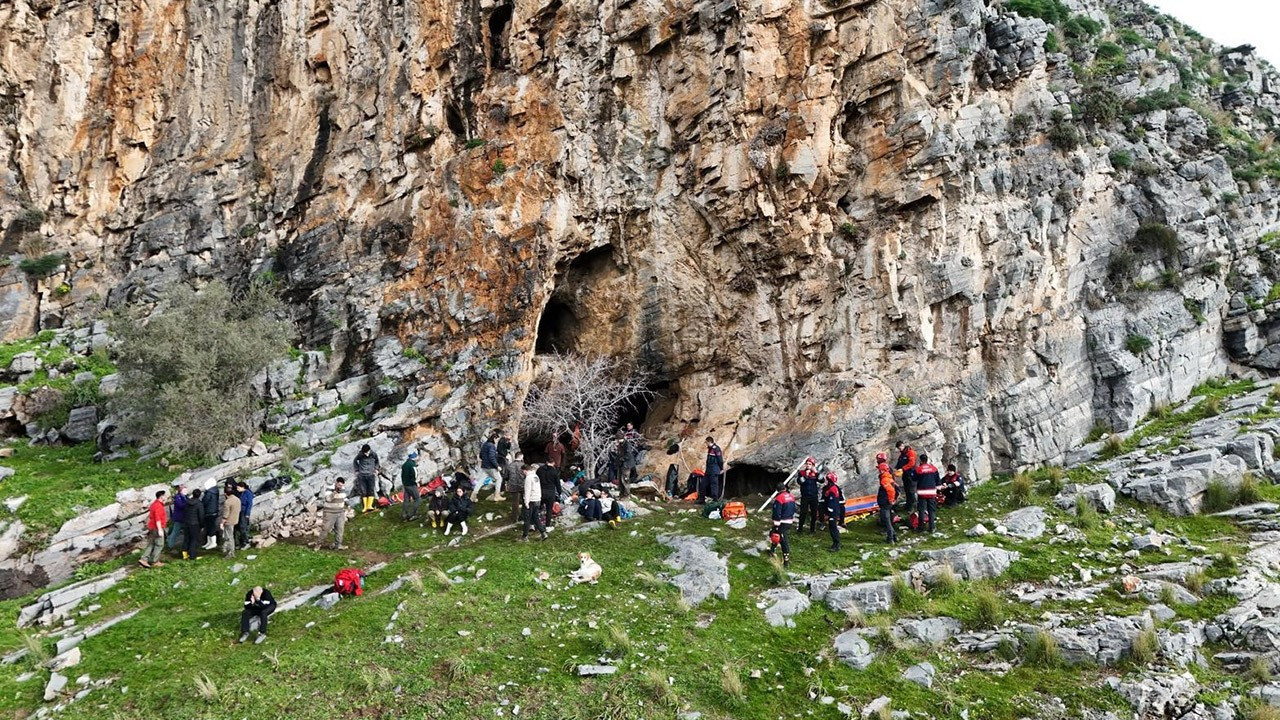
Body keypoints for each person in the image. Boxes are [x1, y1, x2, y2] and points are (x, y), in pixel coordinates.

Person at [769, 482, 796, 567]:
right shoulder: (791, 496)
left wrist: (776, 524)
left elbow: (777, 512)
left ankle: (786, 562)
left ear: (777, 490)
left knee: (781, 539)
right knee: (773, 533)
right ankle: (772, 550)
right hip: (790, 520)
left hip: (782, 521)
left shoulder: (779, 498)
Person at [139, 490, 167, 568]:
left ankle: (144, 559)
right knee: (159, 544)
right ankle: (155, 561)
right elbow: (158, 518)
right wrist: (160, 529)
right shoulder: (159, 506)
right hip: (157, 527)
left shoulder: (154, 504)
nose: (166, 497)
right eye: (164, 496)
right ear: (161, 497)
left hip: (152, 526)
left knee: (151, 543)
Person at [521, 464, 549, 541]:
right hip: (537, 499)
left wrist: (526, 502)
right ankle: (543, 533)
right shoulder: (536, 477)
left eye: (523, 471)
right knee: (536, 517)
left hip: (531, 500)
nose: (523, 473)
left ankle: (525, 536)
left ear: (525, 470)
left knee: (527, 519)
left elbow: (527, 491)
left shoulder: (528, 478)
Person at [914, 453, 940, 533]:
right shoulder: (933, 468)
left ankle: (920, 527)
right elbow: (938, 480)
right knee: (931, 510)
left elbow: (914, 478)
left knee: (921, 510)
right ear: (927, 460)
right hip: (931, 491)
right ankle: (932, 527)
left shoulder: (919, 469)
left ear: (920, 460)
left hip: (922, 492)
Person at [875, 453, 897, 544]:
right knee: (887, 520)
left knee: (887, 520)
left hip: (886, 503)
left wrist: (891, 500)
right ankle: (894, 536)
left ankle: (891, 538)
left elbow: (891, 490)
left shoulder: (885, 479)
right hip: (886, 502)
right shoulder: (888, 476)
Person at [319, 479, 348, 549]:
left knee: (340, 529)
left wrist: (346, 506)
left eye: (342, 485)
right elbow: (328, 499)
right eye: (339, 485)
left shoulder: (343, 490)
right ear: (336, 483)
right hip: (329, 512)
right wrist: (334, 493)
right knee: (325, 529)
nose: (340, 487)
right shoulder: (329, 489)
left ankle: (338, 544)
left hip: (340, 512)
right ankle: (319, 544)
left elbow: (344, 498)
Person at [796, 457, 821, 533]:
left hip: (813, 496)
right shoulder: (801, 473)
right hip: (805, 496)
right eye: (807, 464)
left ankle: (812, 529)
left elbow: (822, 480)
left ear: (813, 465)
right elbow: (799, 482)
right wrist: (805, 476)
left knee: (814, 513)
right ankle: (800, 529)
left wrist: (816, 473)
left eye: (810, 464)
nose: (808, 465)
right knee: (803, 512)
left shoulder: (815, 473)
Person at [354, 444, 381, 513]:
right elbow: (355, 461)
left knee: (371, 490)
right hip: (362, 476)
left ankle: (370, 506)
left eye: (367, 452)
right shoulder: (360, 455)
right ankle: (365, 507)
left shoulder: (373, 454)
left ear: (369, 450)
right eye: (365, 452)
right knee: (363, 491)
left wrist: (376, 469)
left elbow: (377, 461)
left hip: (371, 475)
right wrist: (357, 470)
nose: (366, 454)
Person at [821, 472, 845, 552]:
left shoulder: (832, 490)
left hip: (833, 512)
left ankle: (836, 544)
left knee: (833, 528)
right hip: (835, 511)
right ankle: (836, 543)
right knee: (833, 527)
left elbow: (831, 504)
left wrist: (828, 514)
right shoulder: (834, 488)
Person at [476, 433, 503, 502]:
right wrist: (497, 466)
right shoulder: (492, 446)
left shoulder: (485, 444)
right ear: (494, 438)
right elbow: (492, 457)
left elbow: (481, 455)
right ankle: (497, 496)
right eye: (497, 439)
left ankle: (473, 496)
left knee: (480, 481)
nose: (497, 441)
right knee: (499, 479)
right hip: (491, 467)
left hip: (484, 467)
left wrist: (485, 461)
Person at [894, 441, 918, 512]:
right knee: (907, 490)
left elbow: (911, 463)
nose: (899, 449)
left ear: (903, 445)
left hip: (911, 474)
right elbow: (899, 463)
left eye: (900, 447)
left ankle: (913, 507)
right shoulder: (902, 455)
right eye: (898, 448)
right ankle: (908, 505)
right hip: (905, 474)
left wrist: (903, 468)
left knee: (911, 491)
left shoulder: (910, 453)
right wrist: (896, 469)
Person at [503, 451, 525, 523]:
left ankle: (515, 518)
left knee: (515, 502)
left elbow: (505, 477)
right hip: (522, 485)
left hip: (513, 486)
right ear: (521, 456)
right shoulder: (523, 465)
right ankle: (523, 516)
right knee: (524, 501)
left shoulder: (509, 465)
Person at [183, 488, 205, 559]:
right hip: (195, 524)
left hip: (186, 523)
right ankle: (192, 556)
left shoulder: (187, 502)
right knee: (194, 540)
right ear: (199, 495)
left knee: (186, 539)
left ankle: (185, 555)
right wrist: (202, 525)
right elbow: (201, 515)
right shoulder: (199, 504)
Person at [201, 482, 223, 551]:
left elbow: (205, 501)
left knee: (210, 527)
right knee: (210, 527)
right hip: (214, 511)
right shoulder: (216, 491)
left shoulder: (209, 493)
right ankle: (209, 542)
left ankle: (213, 542)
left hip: (209, 512)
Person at [537, 461, 560, 526]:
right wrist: (559, 492)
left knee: (537, 508)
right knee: (549, 509)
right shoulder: (554, 471)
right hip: (550, 492)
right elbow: (557, 483)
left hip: (540, 491)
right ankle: (547, 525)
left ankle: (535, 523)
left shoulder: (540, 469)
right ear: (553, 463)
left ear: (546, 462)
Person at [166, 485, 187, 550]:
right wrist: (187, 503)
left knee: (180, 531)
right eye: (185, 490)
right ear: (181, 490)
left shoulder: (185, 497)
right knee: (175, 532)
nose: (186, 491)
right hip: (179, 517)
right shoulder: (178, 497)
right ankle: (170, 545)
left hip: (184, 517)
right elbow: (180, 506)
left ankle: (184, 545)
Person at [222, 487, 241, 558]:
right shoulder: (237, 499)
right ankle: (231, 551)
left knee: (228, 537)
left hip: (228, 521)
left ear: (225, 493)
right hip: (235, 520)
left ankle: (230, 553)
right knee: (231, 536)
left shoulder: (227, 502)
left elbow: (225, 514)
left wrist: (222, 522)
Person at [401, 451, 421, 521]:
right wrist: (416, 482)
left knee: (406, 500)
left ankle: (404, 514)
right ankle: (411, 514)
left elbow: (402, 475)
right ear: (414, 458)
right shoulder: (412, 465)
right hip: (411, 485)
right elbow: (414, 475)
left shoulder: (404, 464)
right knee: (417, 499)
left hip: (405, 485)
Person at [704, 437, 724, 503]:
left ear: (709, 442)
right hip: (708, 470)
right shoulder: (710, 449)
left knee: (714, 485)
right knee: (703, 484)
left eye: (706, 442)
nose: (705, 444)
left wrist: (721, 468)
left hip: (714, 469)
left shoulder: (716, 449)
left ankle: (715, 499)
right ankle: (701, 499)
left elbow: (720, 460)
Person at [236, 481, 254, 548]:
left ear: (242, 487)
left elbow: (249, 504)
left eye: (238, 488)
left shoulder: (248, 494)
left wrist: (247, 513)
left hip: (244, 512)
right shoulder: (241, 493)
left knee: (243, 527)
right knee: (239, 527)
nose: (237, 489)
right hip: (240, 511)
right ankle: (241, 542)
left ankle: (246, 542)